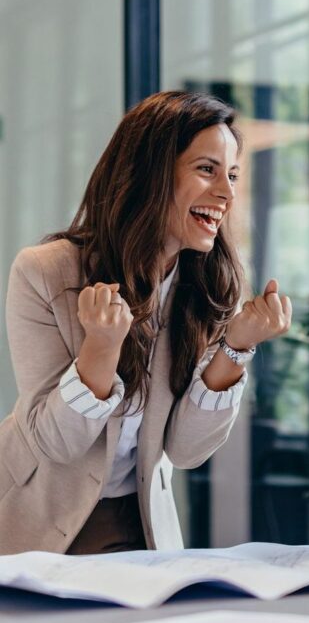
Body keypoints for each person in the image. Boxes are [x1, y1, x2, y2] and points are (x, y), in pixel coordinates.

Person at [0, 91, 292, 555]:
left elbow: (186, 451)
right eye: (207, 169)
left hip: (141, 521)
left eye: (232, 174)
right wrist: (100, 348)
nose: (228, 193)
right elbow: (54, 445)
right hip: (32, 521)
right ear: (152, 172)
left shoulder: (211, 288)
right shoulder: (44, 272)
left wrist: (236, 347)